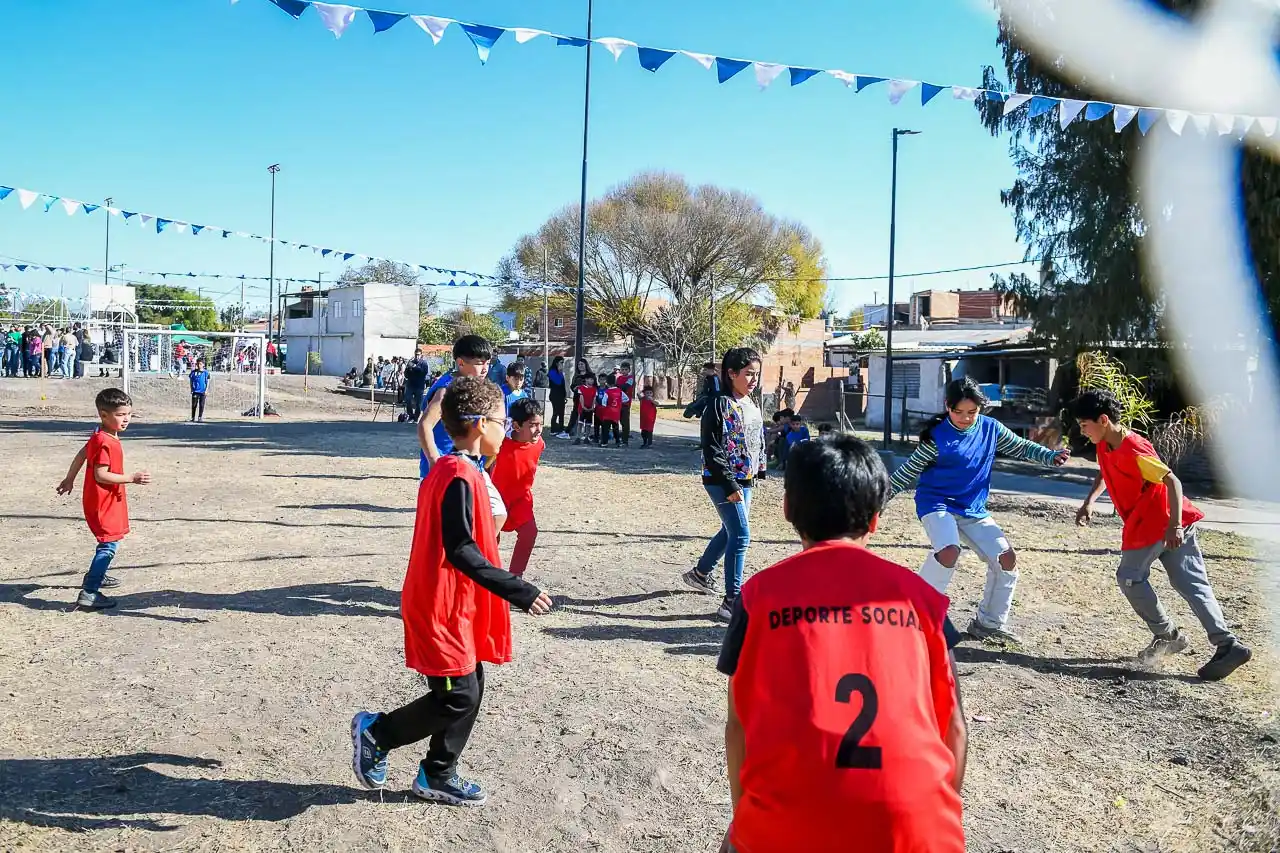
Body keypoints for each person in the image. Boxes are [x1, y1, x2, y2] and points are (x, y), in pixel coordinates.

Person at [717, 437, 967, 853]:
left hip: (785, 828)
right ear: (875, 520)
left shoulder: (758, 596)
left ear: (787, 509)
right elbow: (955, 728)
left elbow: (738, 726)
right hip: (917, 827)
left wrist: (745, 820)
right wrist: (933, 816)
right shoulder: (923, 599)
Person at [350, 377, 553, 805]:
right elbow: (460, 550)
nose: (506, 429)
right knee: (457, 697)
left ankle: (438, 773)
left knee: (469, 688)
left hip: (457, 602)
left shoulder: (462, 469)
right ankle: (378, 733)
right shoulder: (457, 474)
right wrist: (518, 589)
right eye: (501, 421)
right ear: (480, 424)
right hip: (438, 604)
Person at [1072, 389, 1251, 680]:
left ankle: (1168, 636)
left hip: (1157, 523)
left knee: (1129, 578)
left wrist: (1174, 526)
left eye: (1084, 424)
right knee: (1192, 584)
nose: (1082, 431)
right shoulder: (1105, 444)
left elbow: (1173, 481)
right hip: (1165, 523)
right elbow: (1105, 470)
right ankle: (1228, 644)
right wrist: (1089, 501)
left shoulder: (1134, 448)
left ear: (1103, 420)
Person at [887, 378, 1069, 644]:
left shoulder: (991, 428)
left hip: (973, 508)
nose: (965, 418)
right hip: (936, 504)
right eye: (958, 412)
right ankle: (913, 613)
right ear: (947, 406)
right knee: (949, 551)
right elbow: (907, 473)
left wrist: (1050, 456)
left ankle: (989, 624)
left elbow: (1021, 446)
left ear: (981, 408)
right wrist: (878, 500)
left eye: (972, 412)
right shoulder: (936, 438)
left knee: (1006, 559)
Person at [683, 348, 766, 621]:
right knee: (741, 535)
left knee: (731, 530)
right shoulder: (718, 404)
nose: (753, 379)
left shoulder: (750, 402)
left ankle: (699, 574)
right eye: (748, 373)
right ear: (731, 374)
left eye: (756, 374)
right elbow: (712, 448)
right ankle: (732, 601)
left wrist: (759, 470)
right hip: (722, 480)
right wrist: (730, 485)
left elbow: (756, 439)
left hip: (746, 479)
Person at [54, 388, 152, 610]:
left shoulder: (100, 434)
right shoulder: (105, 441)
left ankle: (97, 574)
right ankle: (89, 592)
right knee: (108, 545)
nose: (126, 419)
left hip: (106, 499)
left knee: (109, 541)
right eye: (120, 415)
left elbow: (82, 454)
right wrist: (132, 478)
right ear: (104, 415)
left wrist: (70, 479)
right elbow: (101, 474)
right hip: (103, 502)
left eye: (129, 414)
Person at [418, 335, 493, 479]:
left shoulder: (471, 384)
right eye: (479, 363)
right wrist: (434, 460)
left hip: (468, 466)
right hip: (446, 469)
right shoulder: (447, 390)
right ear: (461, 363)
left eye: (488, 363)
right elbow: (424, 425)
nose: (485, 369)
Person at [491, 398, 545, 578]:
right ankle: (488, 577)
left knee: (529, 533)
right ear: (516, 426)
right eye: (533, 425)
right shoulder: (498, 444)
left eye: (540, 424)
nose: (538, 429)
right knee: (491, 539)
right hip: (496, 498)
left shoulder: (539, 443)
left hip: (521, 499)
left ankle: (516, 576)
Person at [596, 373, 625, 448]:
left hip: (608, 413)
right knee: (616, 428)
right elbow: (626, 399)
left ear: (607, 383)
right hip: (616, 413)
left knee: (606, 429)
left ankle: (604, 442)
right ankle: (618, 442)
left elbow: (603, 402)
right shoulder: (619, 391)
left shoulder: (607, 392)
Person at [566, 357, 592, 438]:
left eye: (582, 364)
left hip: (587, 398)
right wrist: (575, 388)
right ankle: (569, 431)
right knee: (575, 413)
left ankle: (585, 433)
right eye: (579, 364)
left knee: (586, 414)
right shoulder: (576, 375)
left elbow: (594, 385)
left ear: (585, 365)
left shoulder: (590, 375)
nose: (580, 366)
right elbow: (572, 385)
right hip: (577, 397)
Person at [547, 356, 569, 438]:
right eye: (561, 362)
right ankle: (554, 429)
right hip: (555, 395)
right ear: (556, 363)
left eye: (563, 362)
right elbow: (558, 382)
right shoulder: (552, 372)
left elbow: (563, 385)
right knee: (556, 412)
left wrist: (565, 395)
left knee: (561, 413)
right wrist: (560, 372)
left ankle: (560, 428)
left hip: (561, 395)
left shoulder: (561, 372)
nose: (562, 364)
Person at [615, 361, 636, 446]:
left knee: (625, 422)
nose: (624, 371)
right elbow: (617, 387)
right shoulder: (619, 378)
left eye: (626, 369)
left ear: (629, 370)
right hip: (618, 402)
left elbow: (625, 387)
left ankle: (625, 440)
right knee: (617, 421)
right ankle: (617, 438)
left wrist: (619, 387)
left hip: (626, 403)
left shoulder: (630, 378)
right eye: (622, 369)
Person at [573, 374, 598, 445]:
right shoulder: (581, 388)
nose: (592, 381)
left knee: (588, 424)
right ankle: (578, 437)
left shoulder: (594, 389)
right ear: (586, 379)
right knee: (580, 423)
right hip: (582, 409)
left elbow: (594, 398)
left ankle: (586, 438)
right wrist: (583, 406)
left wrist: (592, 407)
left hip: (590, 409)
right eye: (590, 379)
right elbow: (581, 397)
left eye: (593, 380)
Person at [403, 355, 429, 421]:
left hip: (419, 386)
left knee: (418, 403)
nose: (417, 356)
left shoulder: (424, 363)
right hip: (410, 385)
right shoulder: (411, 362)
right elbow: (406, 375)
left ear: (421, 355)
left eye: (418, 355)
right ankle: (410, 415)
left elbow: (424, 373)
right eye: (416, 355)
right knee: (408, 400)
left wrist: (415, 367)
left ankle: (416, 417)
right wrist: (408, 368)